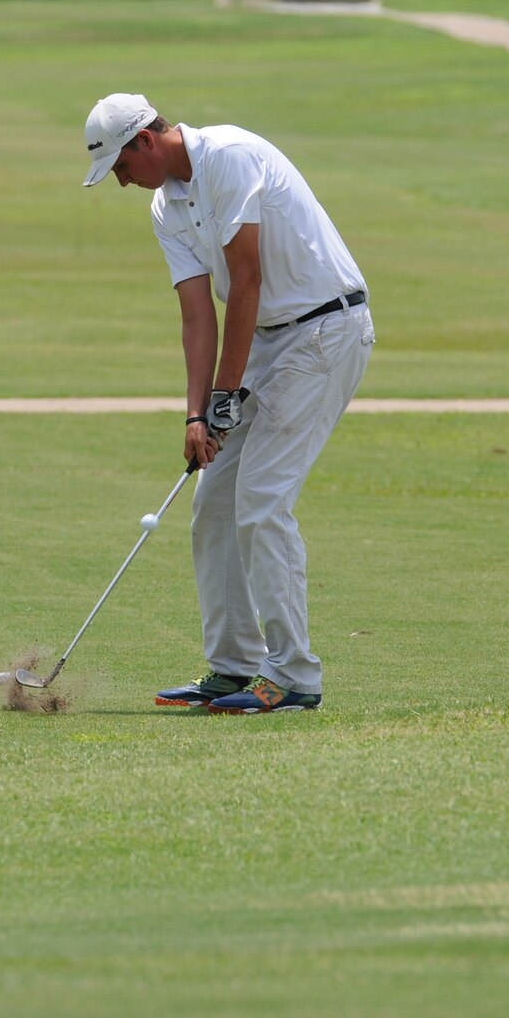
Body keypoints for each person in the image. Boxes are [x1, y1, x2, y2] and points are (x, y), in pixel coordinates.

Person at [81, 93, 374, 714]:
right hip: (267, 340)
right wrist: (198, 414)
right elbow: (197, 314)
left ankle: (295, 674)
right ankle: (234, 666)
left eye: (121, 166)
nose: (122, 180)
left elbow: (247, 280)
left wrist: (225, 396)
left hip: (324, 329)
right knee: (214, 503)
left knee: (263, 499)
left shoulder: (231, 157)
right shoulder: (166, 207)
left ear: (144, 141)